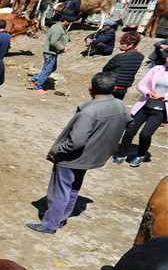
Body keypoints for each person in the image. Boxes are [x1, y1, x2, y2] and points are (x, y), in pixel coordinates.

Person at [26, 72, 128, 234]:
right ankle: (61, 218)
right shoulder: (119, 105)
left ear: (90, 87)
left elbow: (76, 141)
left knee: (60, 190)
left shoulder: (89, 112)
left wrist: (57, 150)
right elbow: (129, 122)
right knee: (73, 187)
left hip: (73, 157)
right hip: (92, 156)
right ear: (114, 89)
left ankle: (50, 224)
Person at [111, 57, 166, 167]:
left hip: (160, 111)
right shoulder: (157, 69)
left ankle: (140, 155)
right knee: (129, 131)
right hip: (144, 106)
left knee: (145, 134)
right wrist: (148, 93)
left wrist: (164, 95)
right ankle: (121, 154)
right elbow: (141, 84)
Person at [29, 17, 71, 93]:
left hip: (51, 52)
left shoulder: (57, 26)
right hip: (50, 52)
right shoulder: (58, 28)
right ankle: (38, 87)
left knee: (52, 68)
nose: (69, 24)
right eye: (69, 22)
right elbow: (54, 41)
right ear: (65, 21)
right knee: (47, 70)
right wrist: (62, 48)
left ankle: (34, 79)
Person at [102, 30, 144, 100]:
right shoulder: (140, 56)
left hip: (112, 87)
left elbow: (105, 69)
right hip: (124, 88)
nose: (119, 46)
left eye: (122, 44)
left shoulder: (119, 57)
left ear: (131, 45)